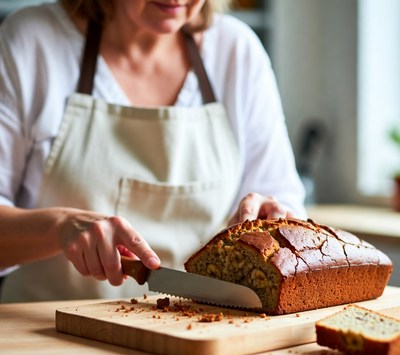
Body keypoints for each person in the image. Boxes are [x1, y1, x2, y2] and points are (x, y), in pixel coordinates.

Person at [0, 0, 306, 303]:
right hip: (45, 337)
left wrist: (271, 219)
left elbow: (284, 205)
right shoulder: (32, 41)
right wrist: (59, 227)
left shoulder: (236, 51)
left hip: (195, 333)